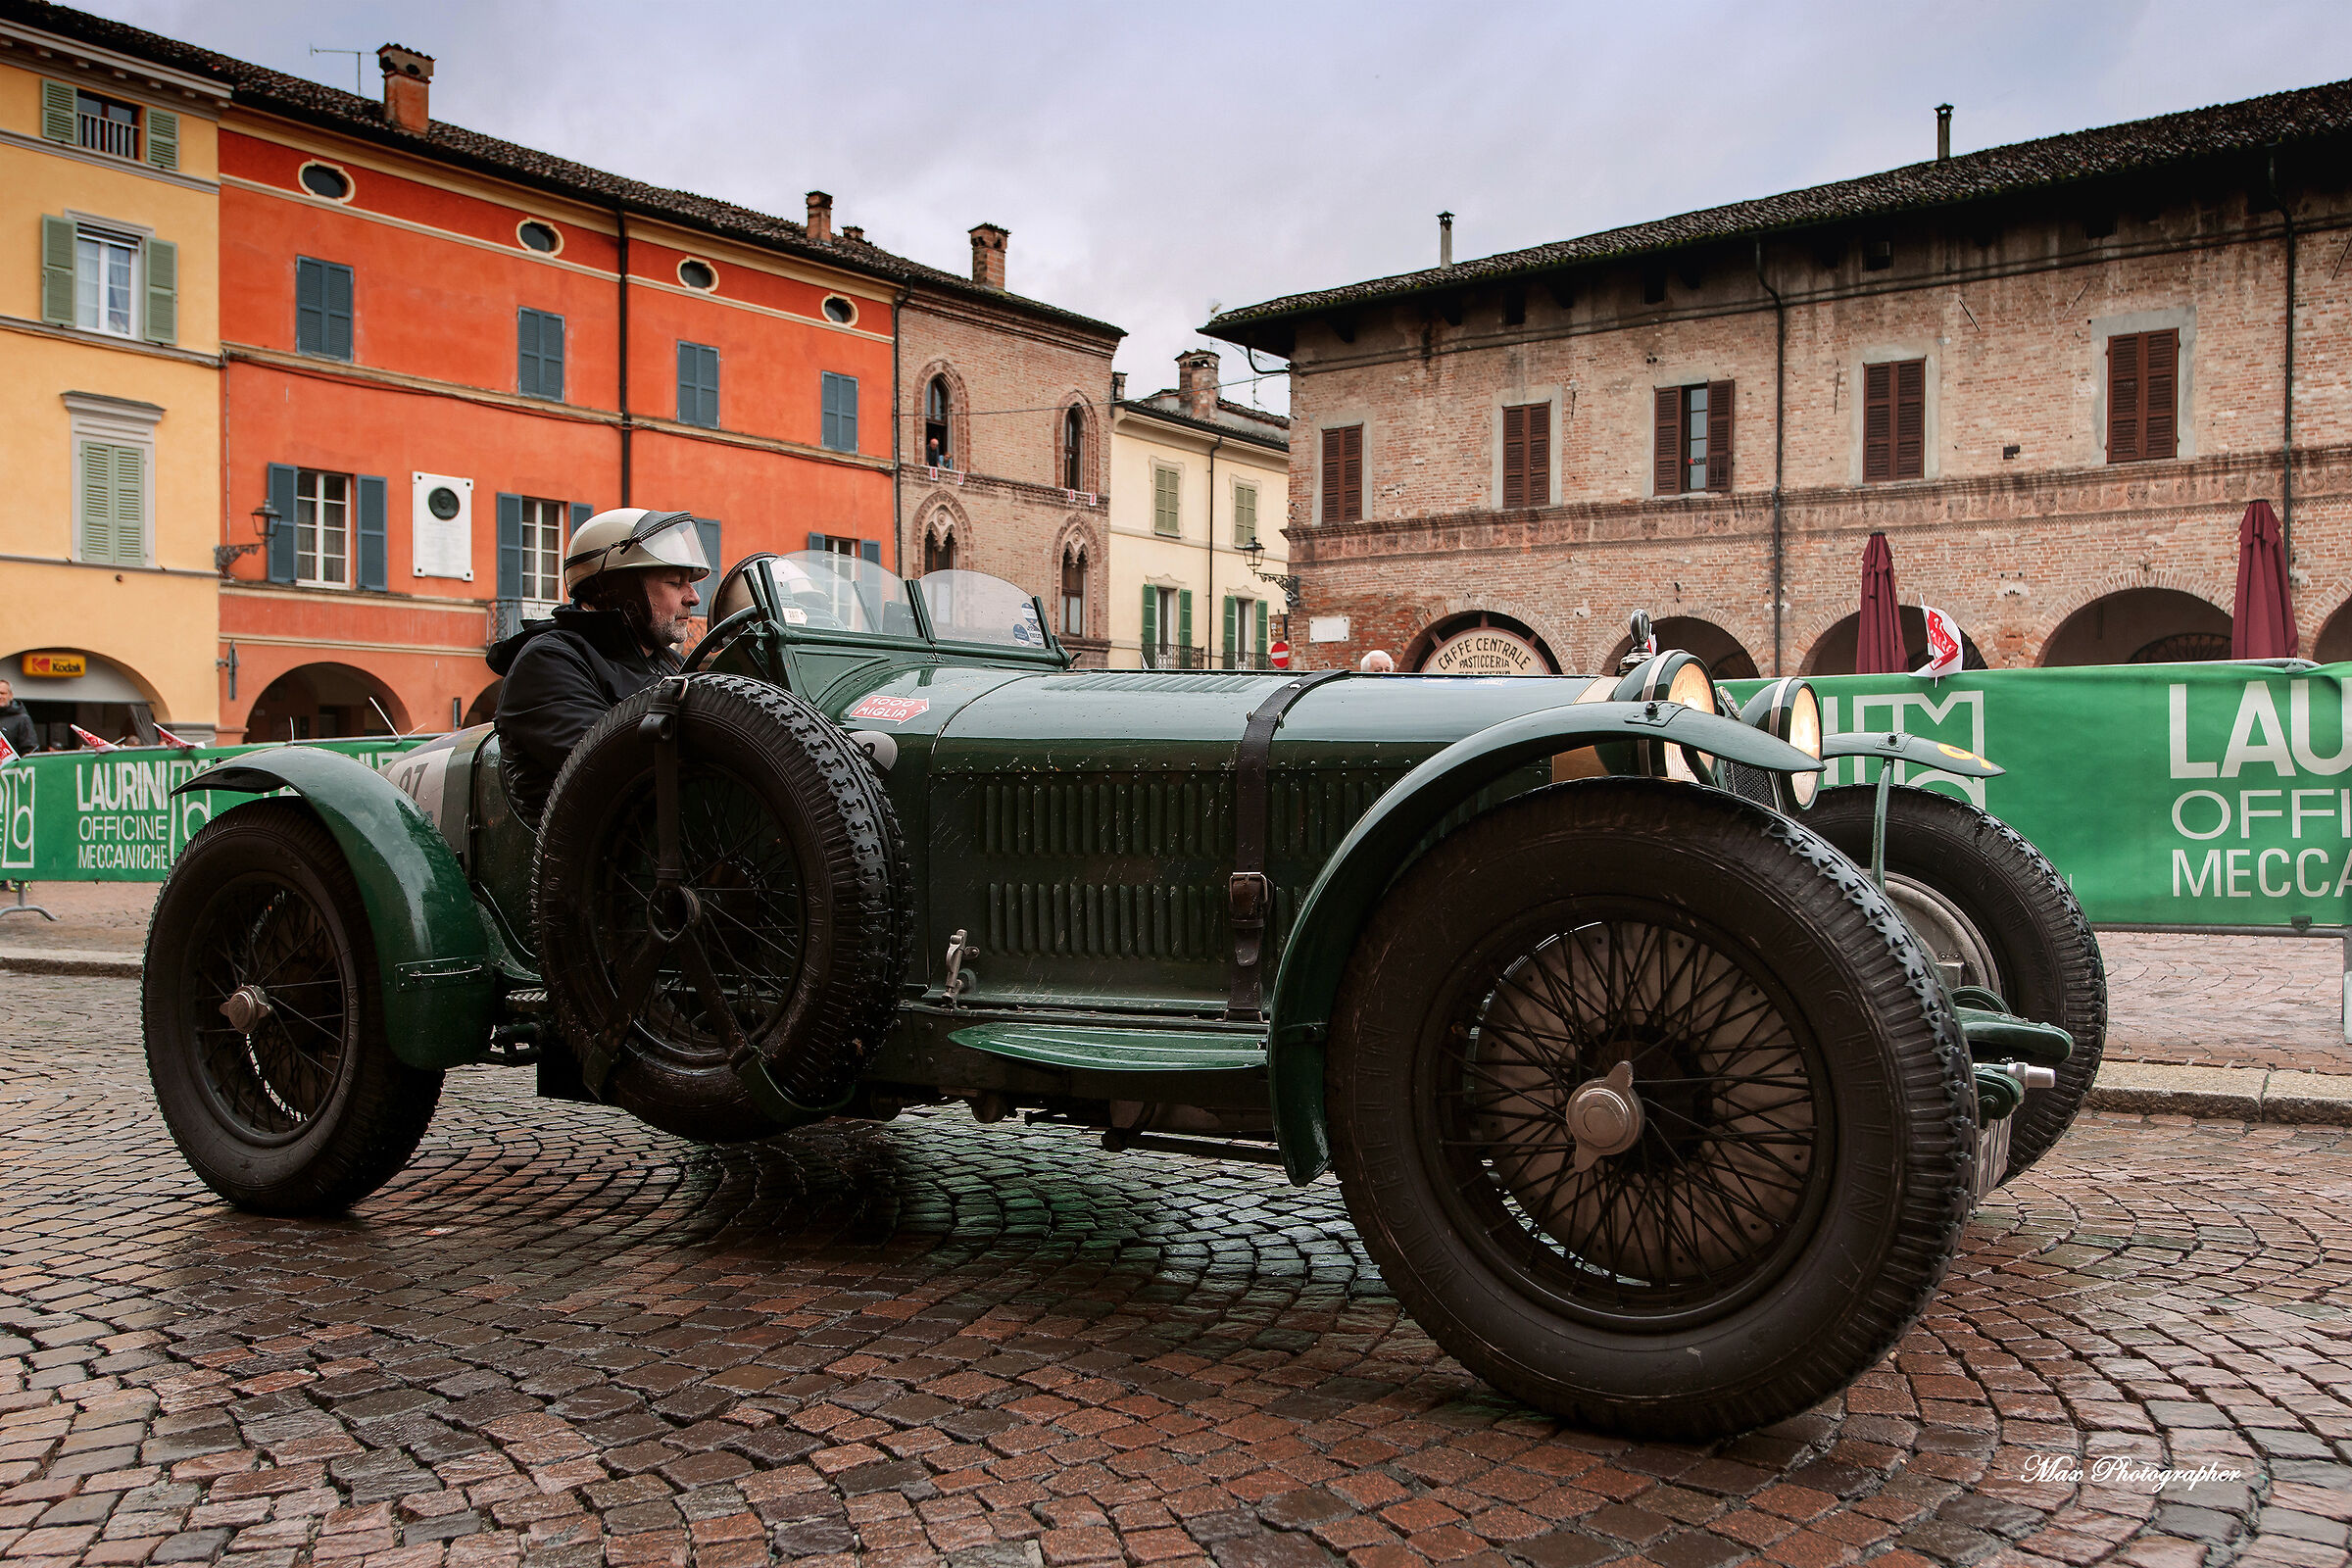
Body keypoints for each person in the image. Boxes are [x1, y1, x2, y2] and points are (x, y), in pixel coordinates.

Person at [489, 508, 710, 824]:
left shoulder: (670, 664)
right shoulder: (549, 662)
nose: (693, 597)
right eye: (675, 582)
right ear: (619, 589)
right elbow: (614, 764)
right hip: (597, 862)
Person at [0, 680, 37, 757]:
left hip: (11, 767)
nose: (0, 696)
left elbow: (30, 751)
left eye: (2, 693)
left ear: (11, 696)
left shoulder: (22, 719)